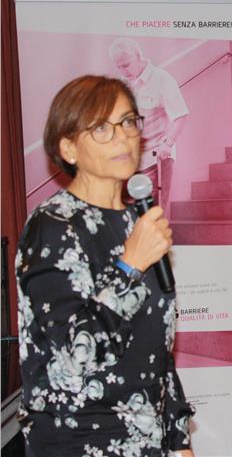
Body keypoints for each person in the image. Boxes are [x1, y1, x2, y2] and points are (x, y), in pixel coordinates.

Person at [15, 75, 194, 456]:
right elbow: (76, 355)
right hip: (77, 439)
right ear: (68, 148)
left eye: (128, 122)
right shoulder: (53, 226)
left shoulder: (137, 223)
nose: (123, 137)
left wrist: (179, 439)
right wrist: (130, 266)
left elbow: (158, 350)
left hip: (147, 439)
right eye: (101, 128)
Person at [109, 37, 189, 217]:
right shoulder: (123, 84)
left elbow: (181, 116)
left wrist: (167, 144)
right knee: (129, 213)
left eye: (126, 65)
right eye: (119, 67)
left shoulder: (161, 79)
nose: (123, 71)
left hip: (156, 157)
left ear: (138, 56)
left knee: (152, 212)